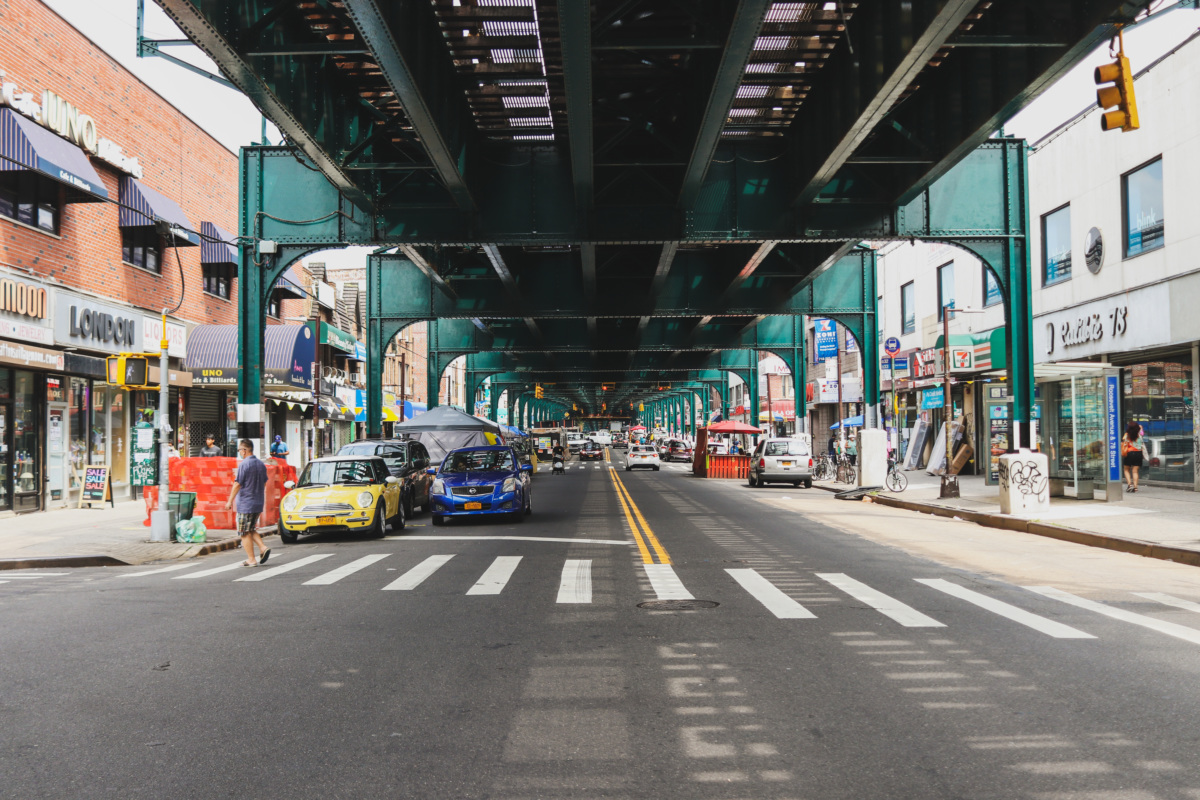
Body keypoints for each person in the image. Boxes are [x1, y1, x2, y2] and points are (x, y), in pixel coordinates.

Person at [225, 439, 270, 567]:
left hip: (246, 503)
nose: (239, 452)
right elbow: (264, 483)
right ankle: (263, 547)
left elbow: (237, 484)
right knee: (250, 529)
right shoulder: (261, 464)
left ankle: (251, 559)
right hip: (258, 502)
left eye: (239, 450)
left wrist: (229, 501)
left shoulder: (244, 464)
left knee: (243, 532)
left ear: (244, 451)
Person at [1121, 421, 1147, 493]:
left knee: (1126, 469)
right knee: (1135, 471)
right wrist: (1140, 428)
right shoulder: (1139, 434)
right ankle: (1135, 487)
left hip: (1129, 453)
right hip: (1138, 453)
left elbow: (1124, 441)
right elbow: (1142, 433)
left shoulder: (1127, 435)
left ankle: (1130, 485)